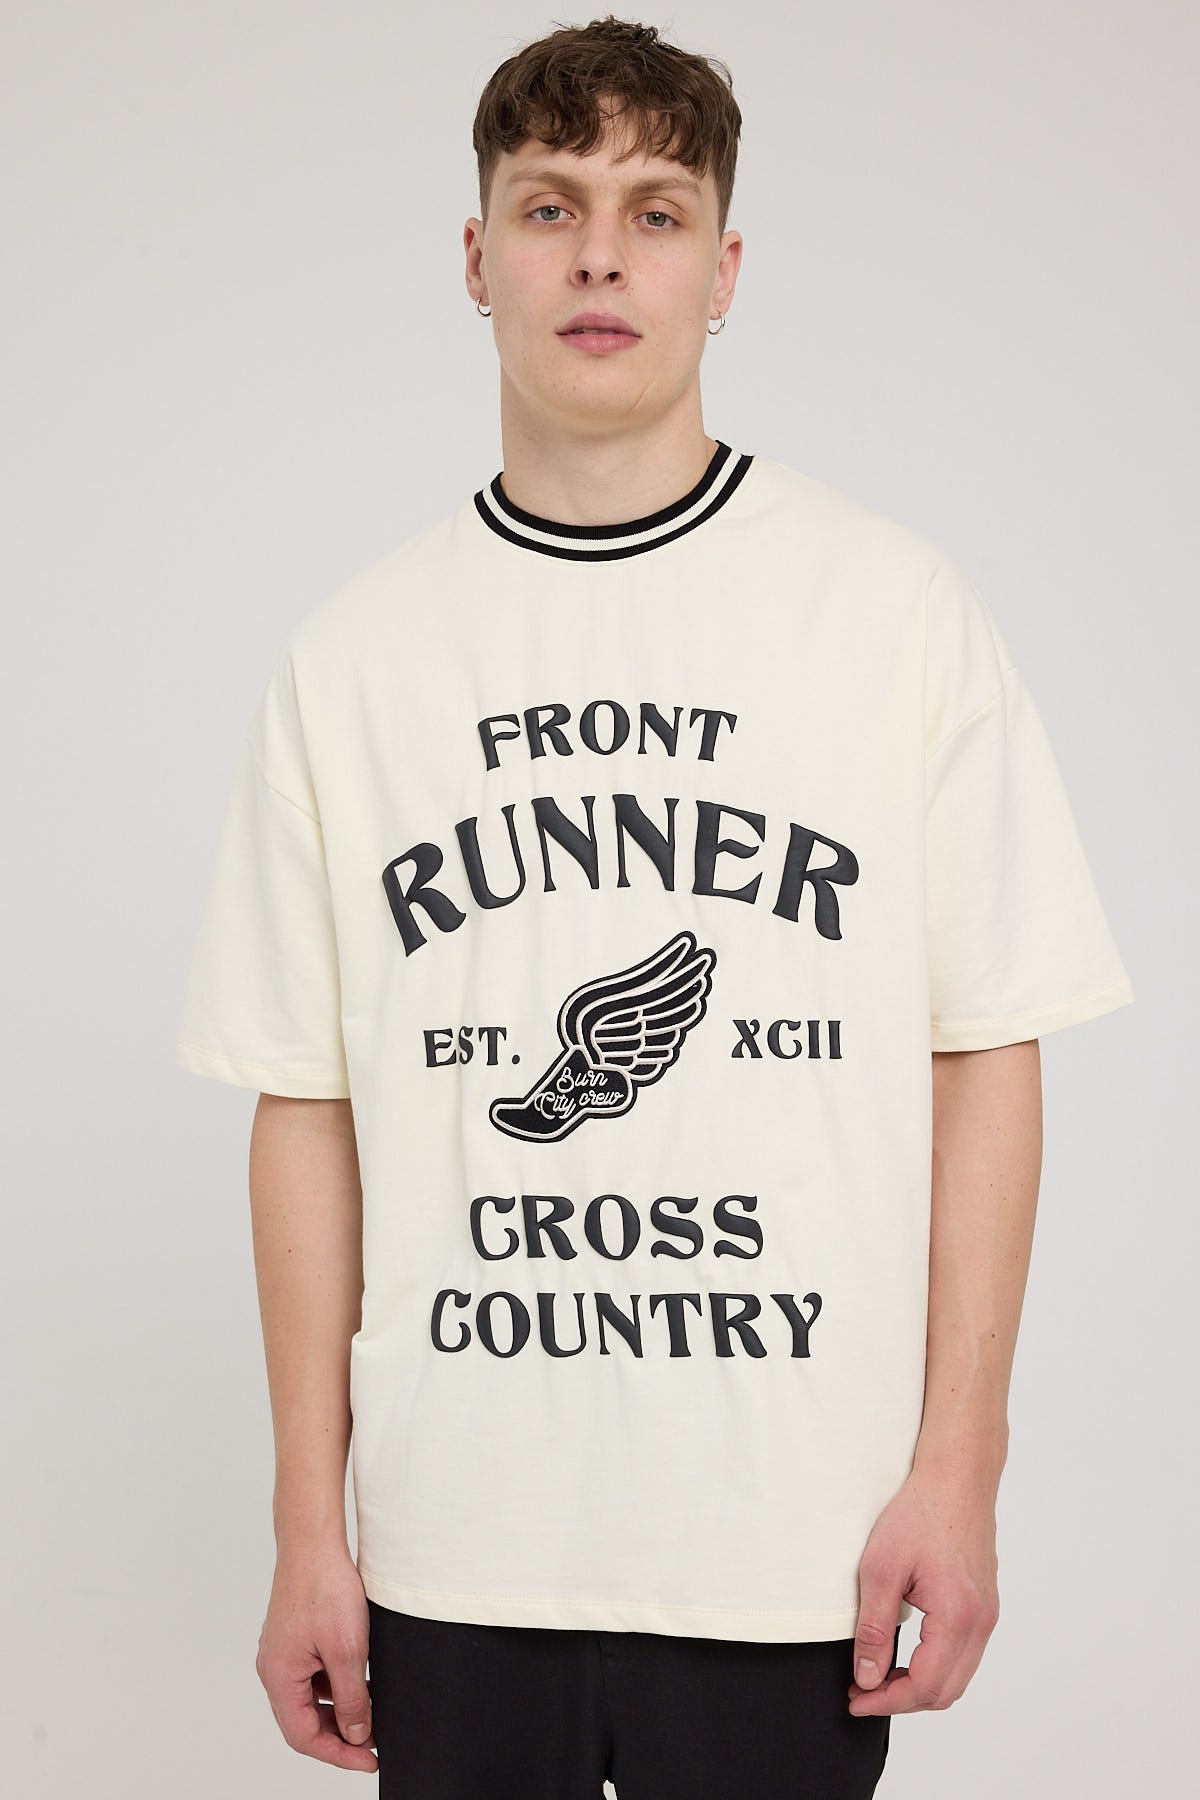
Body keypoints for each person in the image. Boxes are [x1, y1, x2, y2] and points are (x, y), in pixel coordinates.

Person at [175, 15, 1135, 1798]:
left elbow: (982, 1054)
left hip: (794, 1549)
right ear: (477, 259)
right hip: (454, 1554)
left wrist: (961, 1473)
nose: (601, 255)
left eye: (656, 211)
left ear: (725, 269)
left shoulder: (891, 616)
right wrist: (312, 1527)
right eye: (550, 207)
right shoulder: (356, 660)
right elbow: (303, 1104)